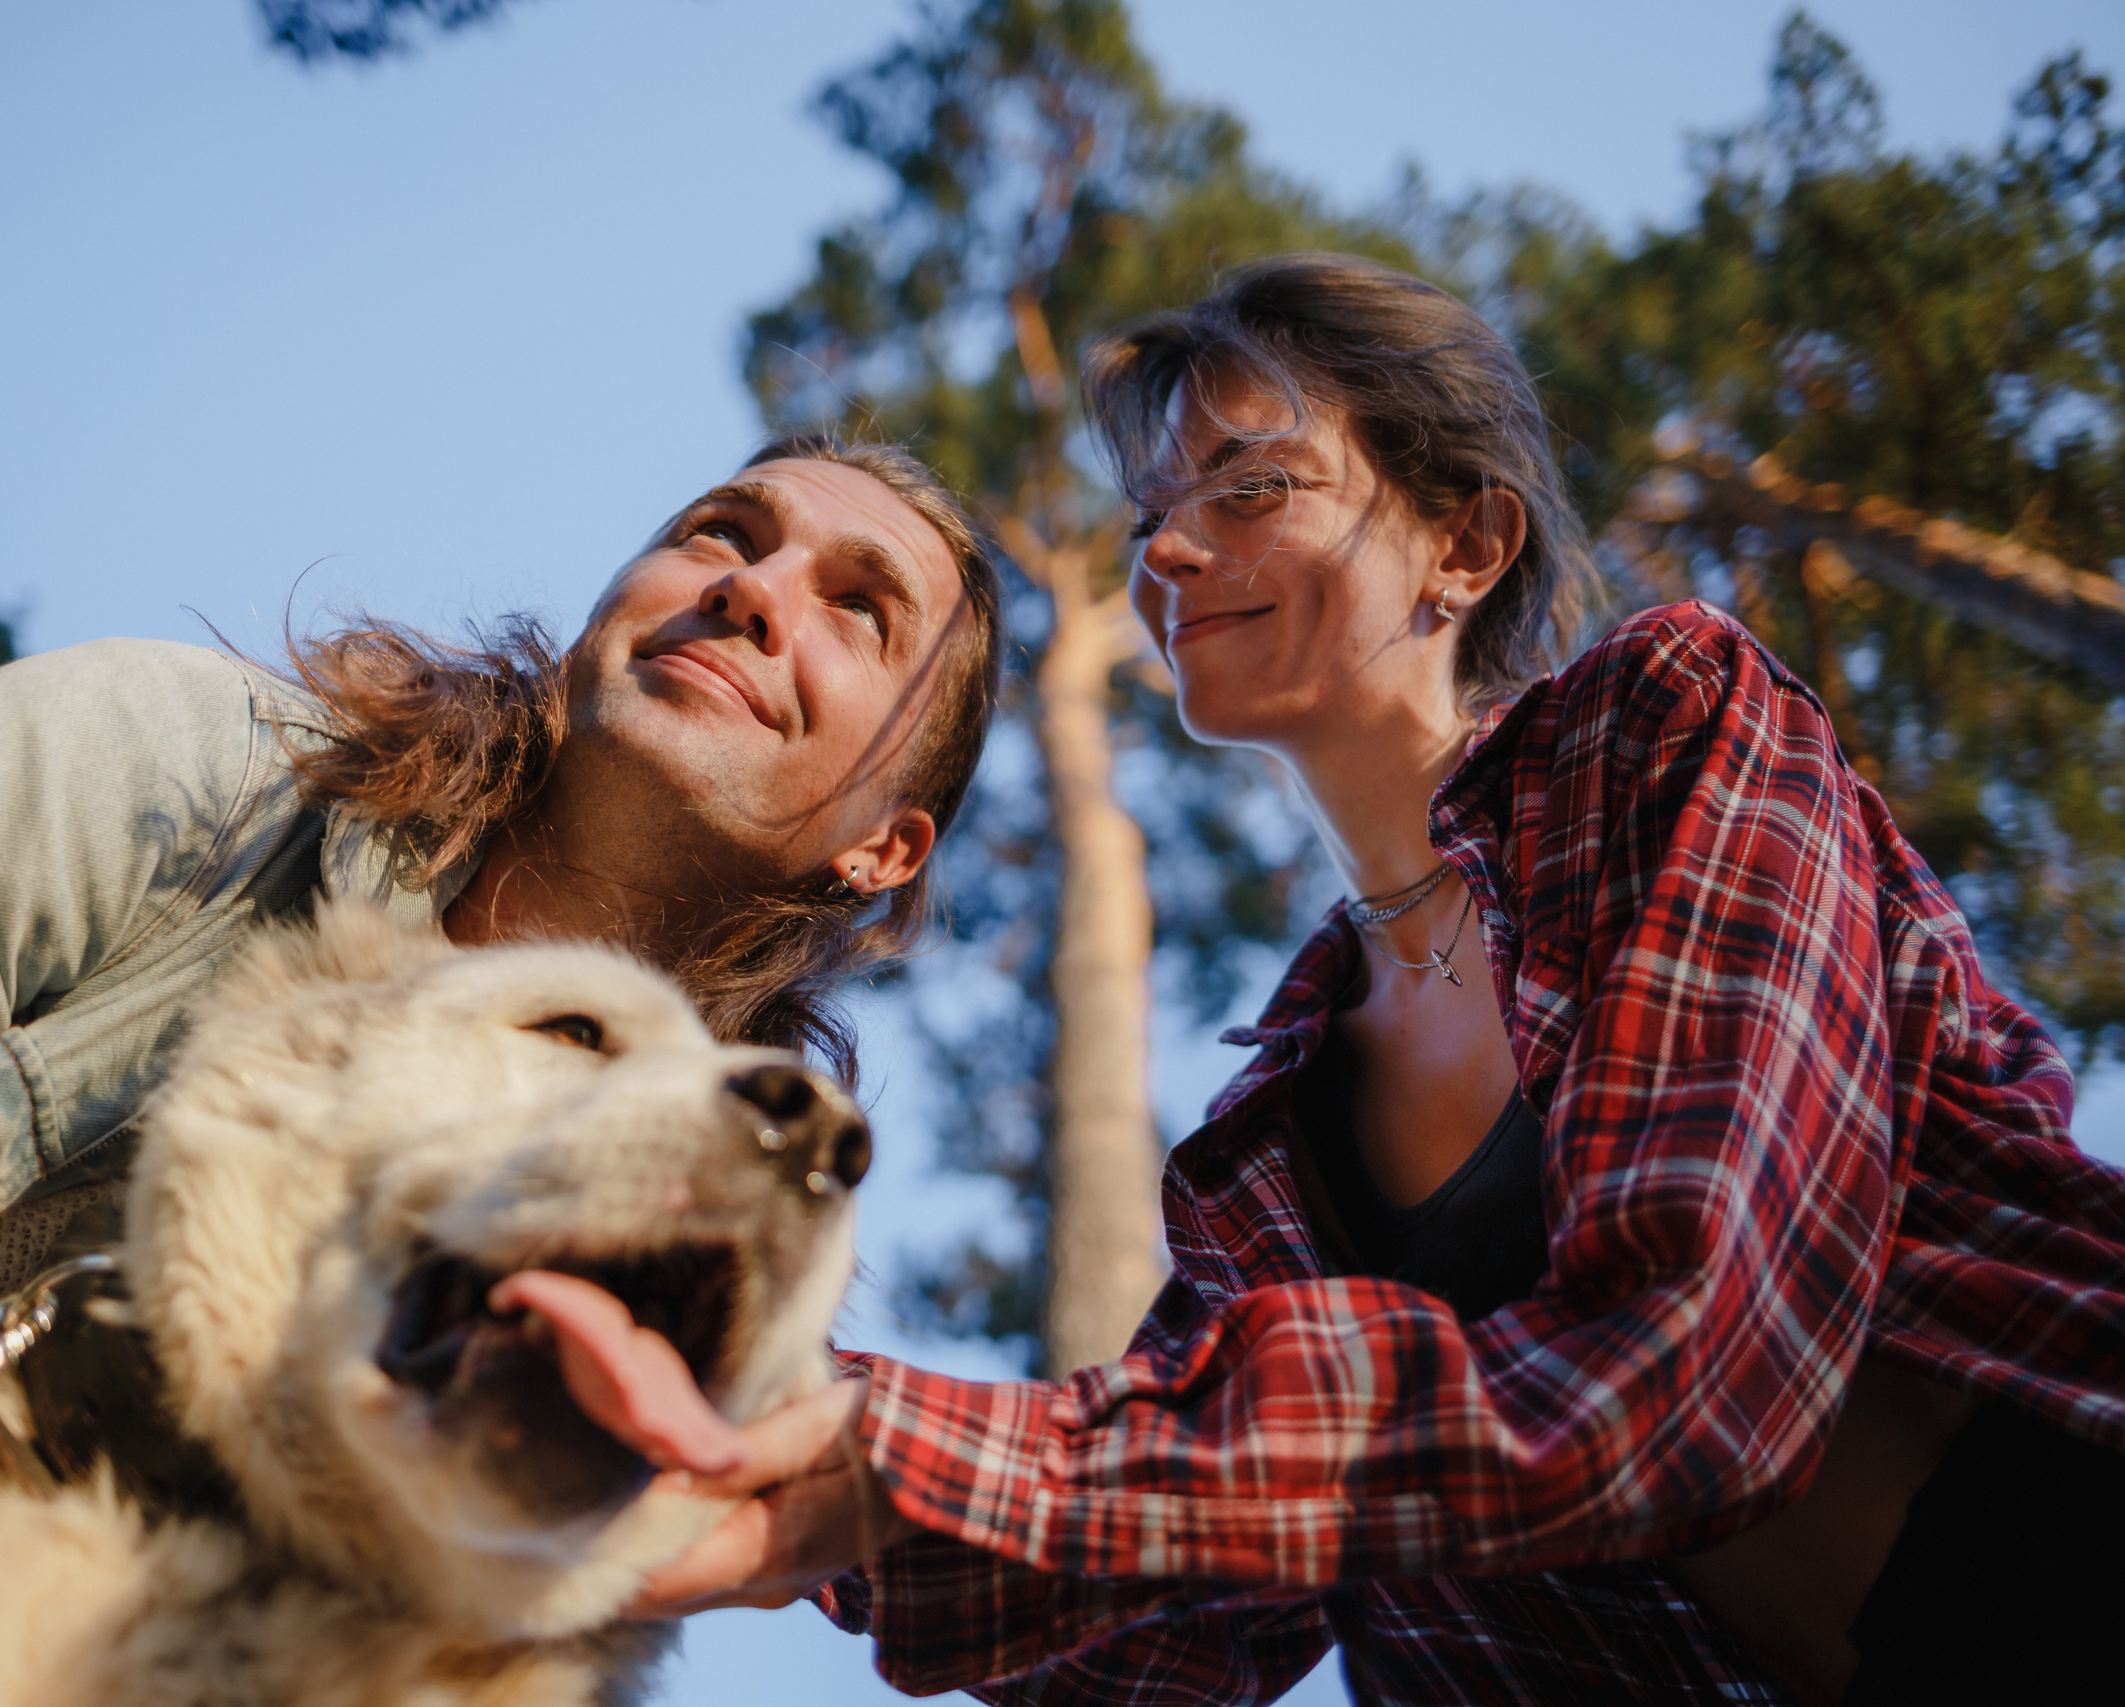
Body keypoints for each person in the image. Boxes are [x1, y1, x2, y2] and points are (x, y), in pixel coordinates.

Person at [531, 255, 2125, 1705]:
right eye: (1156, 507)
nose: (1167, 547)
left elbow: (1692, 1357)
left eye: (1250, 486)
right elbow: (1160, 1624)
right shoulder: (1268, 1138)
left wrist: (902, 1455)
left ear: (1465, 540)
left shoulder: (1670, 734)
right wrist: (707, 1392)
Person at [0, 432, 1004, 1707]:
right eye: (718, 533)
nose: (752, 590)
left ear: (884, 850)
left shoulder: (730, 1298)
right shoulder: (184, 781)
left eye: (856, 609)